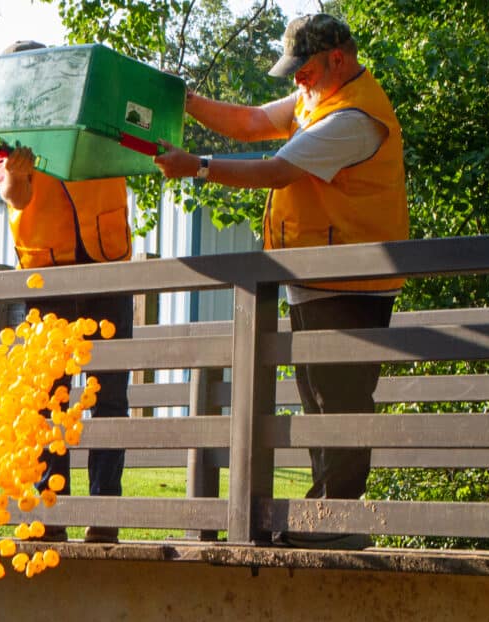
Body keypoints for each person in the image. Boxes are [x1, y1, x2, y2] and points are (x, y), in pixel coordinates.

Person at [153, 14, 409, 550]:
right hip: (317, 277)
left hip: (350, 283)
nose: (297, 80)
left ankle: (336, 522)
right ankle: (324, 520)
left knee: (340, 402)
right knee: (317, 402)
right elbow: (250, 122)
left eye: (304, 69)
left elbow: (276, 171)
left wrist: (198, 166)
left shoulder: (354, 118)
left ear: (337, 58)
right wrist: (187, 101)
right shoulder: (319, 98)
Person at [0, 40, 135, 543]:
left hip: (107, 270)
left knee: (110, 398)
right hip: (48, 283)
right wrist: (19, 172)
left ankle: (104, 516)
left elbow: (136, 141)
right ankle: (50, 516)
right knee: (48, 401)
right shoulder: (6, 132)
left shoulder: (93, 104)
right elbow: (14, 195)